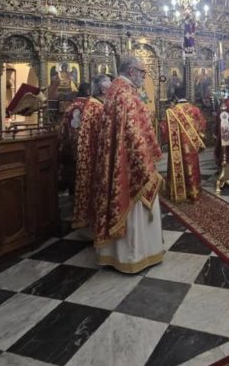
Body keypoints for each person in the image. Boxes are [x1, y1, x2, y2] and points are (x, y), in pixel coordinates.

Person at [92, 55, 164, 273]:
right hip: (130, 163)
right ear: (132, 71)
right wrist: (145, 164)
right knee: (133, 204)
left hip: (117, 159)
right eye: (142, 72)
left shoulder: (114, 91)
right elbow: (134, 134)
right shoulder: (127, 94)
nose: (144, 76)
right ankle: (136, 255)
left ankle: (114, 254)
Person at [72, 74, 111, 230]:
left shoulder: (95, 104)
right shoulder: (96, 107)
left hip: (93, 153)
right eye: (110, 83)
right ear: (102, 89)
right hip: (95, 156)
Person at [163, 87, 206, 203]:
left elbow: (165, 130)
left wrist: (168, 141)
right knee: (193, 166)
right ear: (186, 96)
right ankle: (194, 190)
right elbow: (202, 124)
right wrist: (198, 135)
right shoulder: (195, 109)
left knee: (179, 166)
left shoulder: (172, 111)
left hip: (177, 146)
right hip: (192, 144)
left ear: (176, 97)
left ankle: (179, 192)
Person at [58, 82, 91, 196]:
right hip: (85, 147)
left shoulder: (70, 106)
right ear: (88, 92)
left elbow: (63, 128)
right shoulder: (90, 106)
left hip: (69, 147)